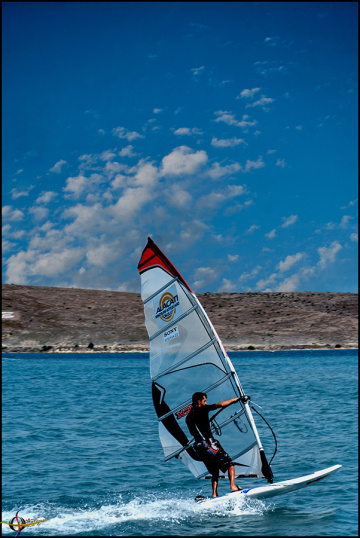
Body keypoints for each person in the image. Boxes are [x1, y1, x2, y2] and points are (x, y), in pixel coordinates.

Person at [186, 391, 242, 498]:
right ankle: (233, 486)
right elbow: (220, 405)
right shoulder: (203, 409)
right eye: (204, 401)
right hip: (209, 444)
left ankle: (214, 494)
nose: (206, 403)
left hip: (199, 448)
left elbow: (194, 431)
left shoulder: (188, 417)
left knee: (215, 470)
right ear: (198, 401)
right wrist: (235, 400)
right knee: (229, 463)